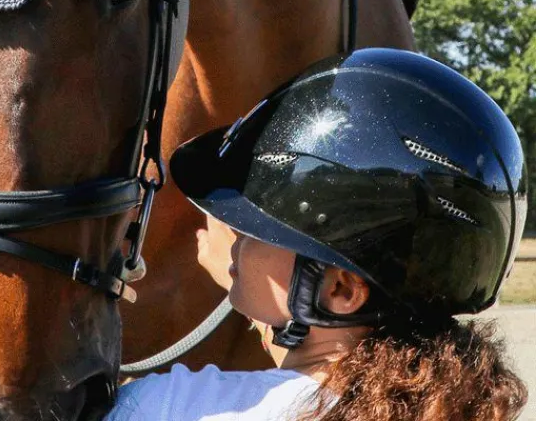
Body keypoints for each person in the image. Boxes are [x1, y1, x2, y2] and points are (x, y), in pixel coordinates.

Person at [106, 48, 528, 421]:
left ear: (342, 289)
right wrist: (254, 275)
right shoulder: (448, 402)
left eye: (254, 229)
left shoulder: (167, 406)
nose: (234, 234)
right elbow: (321, 359)